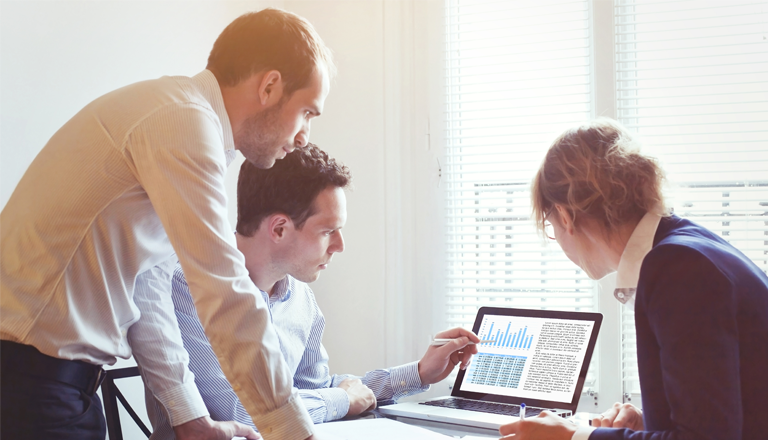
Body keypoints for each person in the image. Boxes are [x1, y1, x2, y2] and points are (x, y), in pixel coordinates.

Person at [1, 8, 335, 440]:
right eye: (308, 112)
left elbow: (149, 285)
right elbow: (224, 290)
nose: (306, 134)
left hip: (56, 388)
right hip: (30, 386)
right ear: (270, 86)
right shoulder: (183, 123)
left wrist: (189, 418)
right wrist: (292, 433)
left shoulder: (180, 119)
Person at [147, 144, 481, 439]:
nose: (340, 246)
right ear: (279, 228)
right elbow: (242, 415)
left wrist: (419, 372)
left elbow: (314, 391)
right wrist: (342, 400)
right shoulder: (188, 286)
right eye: (328, 231)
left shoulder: (300, 297)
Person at [498, 118, 768, 440]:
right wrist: (649, 422)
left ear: (566, 216)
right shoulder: (688, 246)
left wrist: (574, 437)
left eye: (550, 224)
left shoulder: (677, 268)